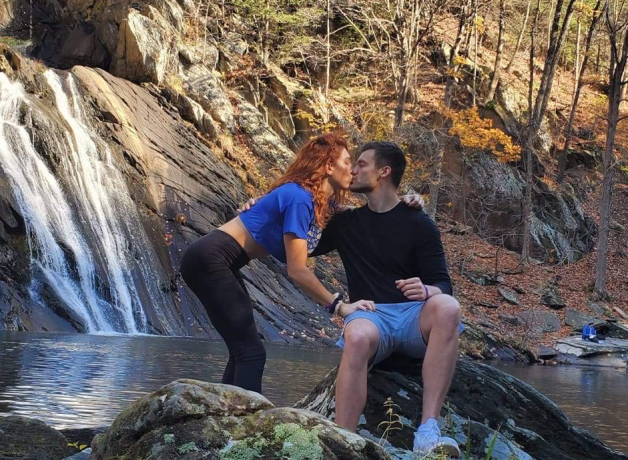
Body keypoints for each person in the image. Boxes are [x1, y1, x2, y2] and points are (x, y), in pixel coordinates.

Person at [241, 141, 462, 457]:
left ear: (383, 172)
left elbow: (443, 284)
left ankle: (428, 430)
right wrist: (263, 208)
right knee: (355, 334)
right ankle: (346, 441)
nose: (352, 169)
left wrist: (428, 291)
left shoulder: (418, 223)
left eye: (361, 164)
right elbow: (296, 244)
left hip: (414, 317)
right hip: (370, 317)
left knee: (447, 307)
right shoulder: (344, 224)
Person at [180, 133, 375, 395]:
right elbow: (296, 270)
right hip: (210, 259)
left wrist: (409, 202)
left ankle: (221, 421)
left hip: (214, 260)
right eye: (347, 161)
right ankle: (245, 431)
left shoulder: (316, 201)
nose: (352, 169)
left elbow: (364, 213)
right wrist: (339, 306)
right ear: (329, 166)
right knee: (251, 353)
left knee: (243, 351)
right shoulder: (300, 198)